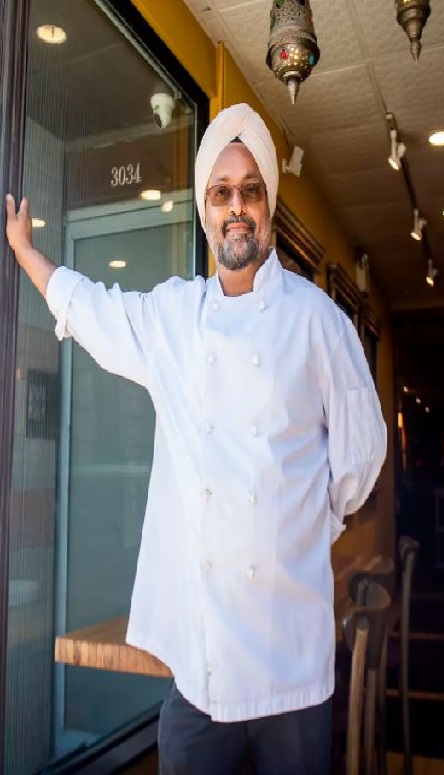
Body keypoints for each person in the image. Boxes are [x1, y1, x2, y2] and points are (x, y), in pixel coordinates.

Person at [5, 102, 387, 774]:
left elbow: (361, 455)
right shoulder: (173, 318)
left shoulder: (320, 322)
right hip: (202, 667)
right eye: (221, 192)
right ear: (206, 211)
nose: (236, 207)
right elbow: (94, 311)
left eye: (250, 191)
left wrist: (299, 523)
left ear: (268, 206)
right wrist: (27, 253)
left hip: (290, 662)